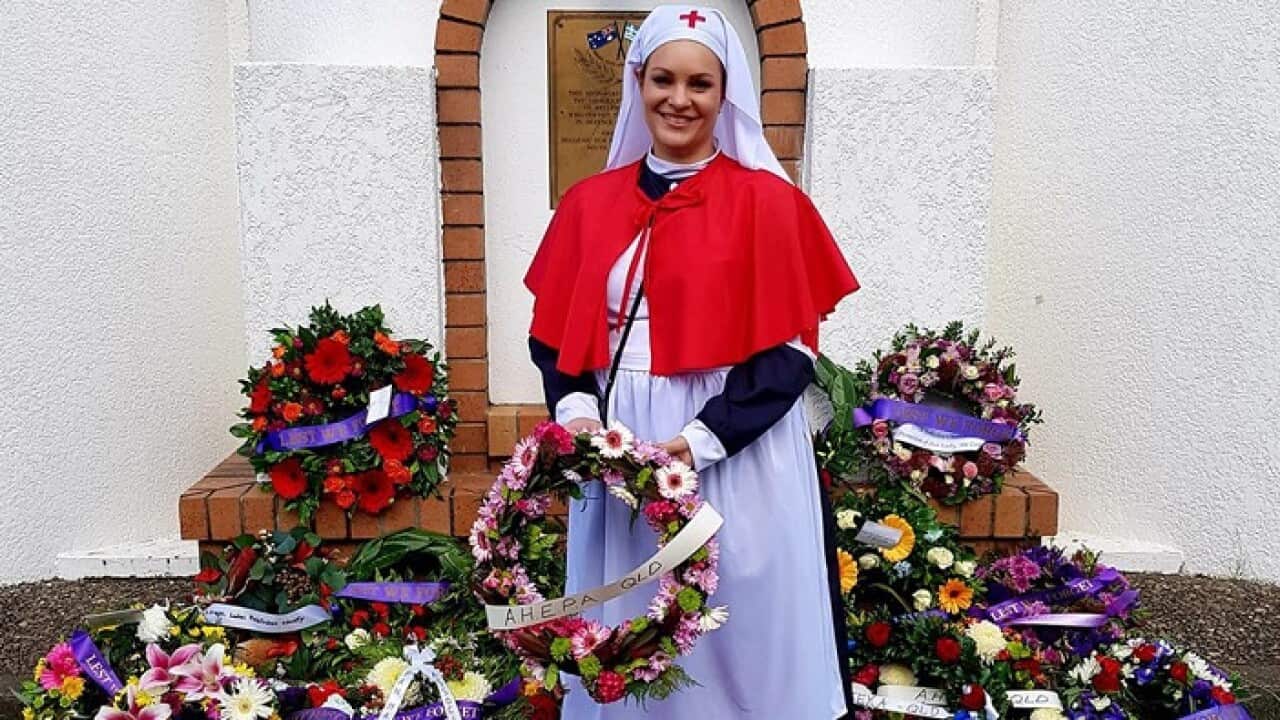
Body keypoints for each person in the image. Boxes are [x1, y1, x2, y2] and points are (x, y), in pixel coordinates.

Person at [523, 6, 859, 718]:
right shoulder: (587, 204)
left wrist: (698, 441)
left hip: (735, 445)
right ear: (638, 83)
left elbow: (788, 352)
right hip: (622, 446)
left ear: (724, 91)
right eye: (663, 80)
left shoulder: (770, 203)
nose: (680, 99)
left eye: (700, 84)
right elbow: (556, 336)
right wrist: (582, 419)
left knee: (741, 614)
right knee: (635, 614)